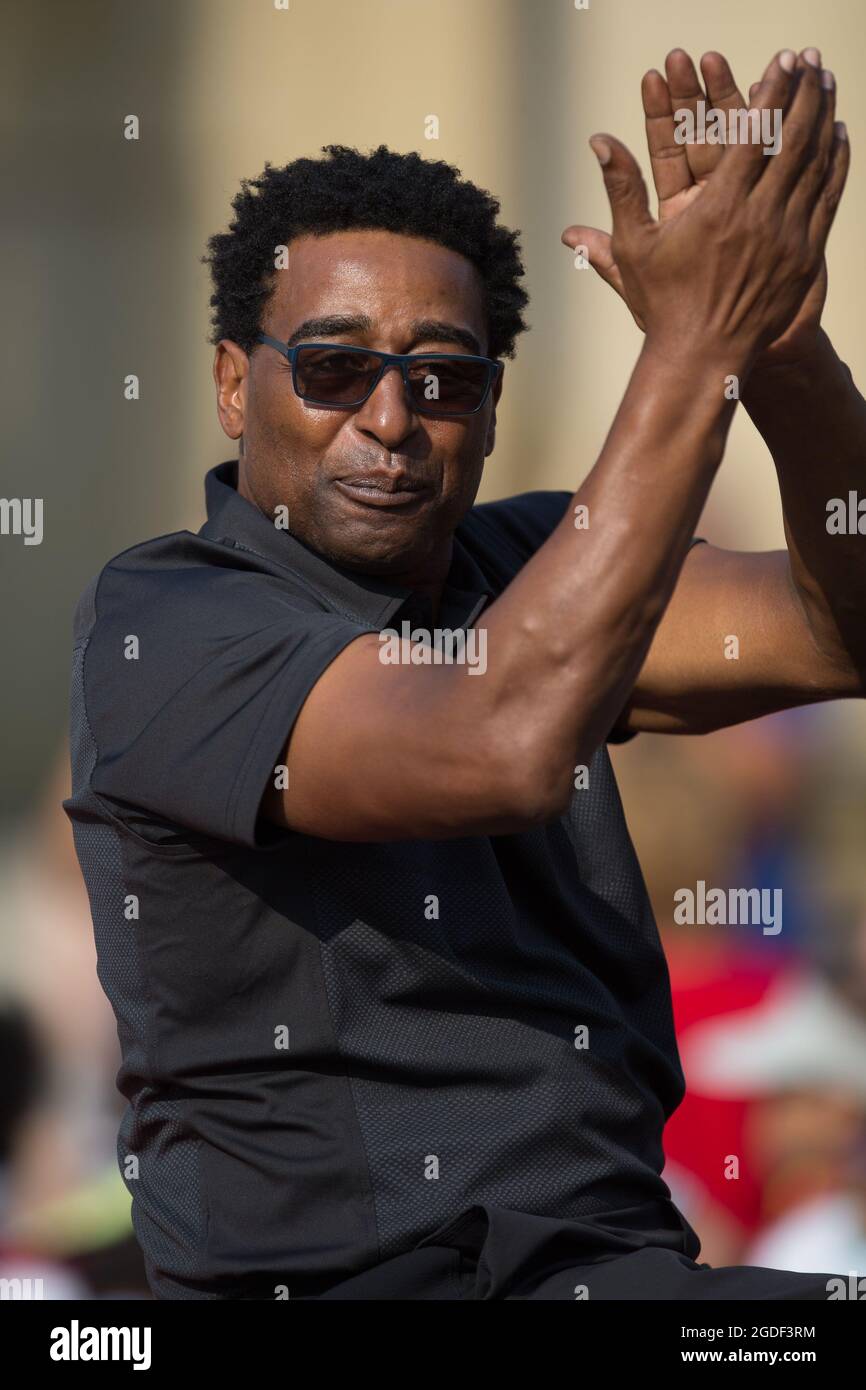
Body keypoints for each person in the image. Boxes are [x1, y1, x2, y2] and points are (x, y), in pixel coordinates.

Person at [65, 47, 864, 1299]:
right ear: (233, 383)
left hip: (612, 1270)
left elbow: (839, 625)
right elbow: (500, 738)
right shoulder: (168, 617)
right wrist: (693, 341)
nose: (388, 418)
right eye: (332, 368)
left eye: (440, 378)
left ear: (489, 408)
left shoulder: (531, 559)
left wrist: (774, 351)